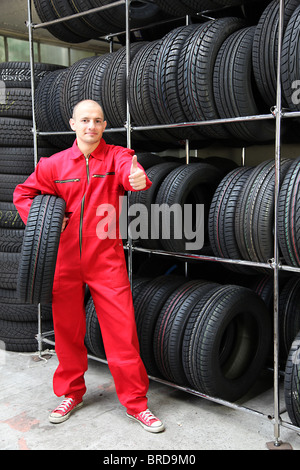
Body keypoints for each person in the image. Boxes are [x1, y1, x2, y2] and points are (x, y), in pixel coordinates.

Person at [13, 99, 165, 433]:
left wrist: (137, 177)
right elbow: (22, 195)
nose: (90, 126)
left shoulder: (116, 157)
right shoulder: (53, 165)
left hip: (105, 259)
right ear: (72, 124)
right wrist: (46, 224)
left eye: (97, 121)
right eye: (84, 120)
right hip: (63, 260)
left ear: (104, 124)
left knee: (121, 334)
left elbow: (131, 173)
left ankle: (137, 404)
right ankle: (70, 393)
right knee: (67, 333)